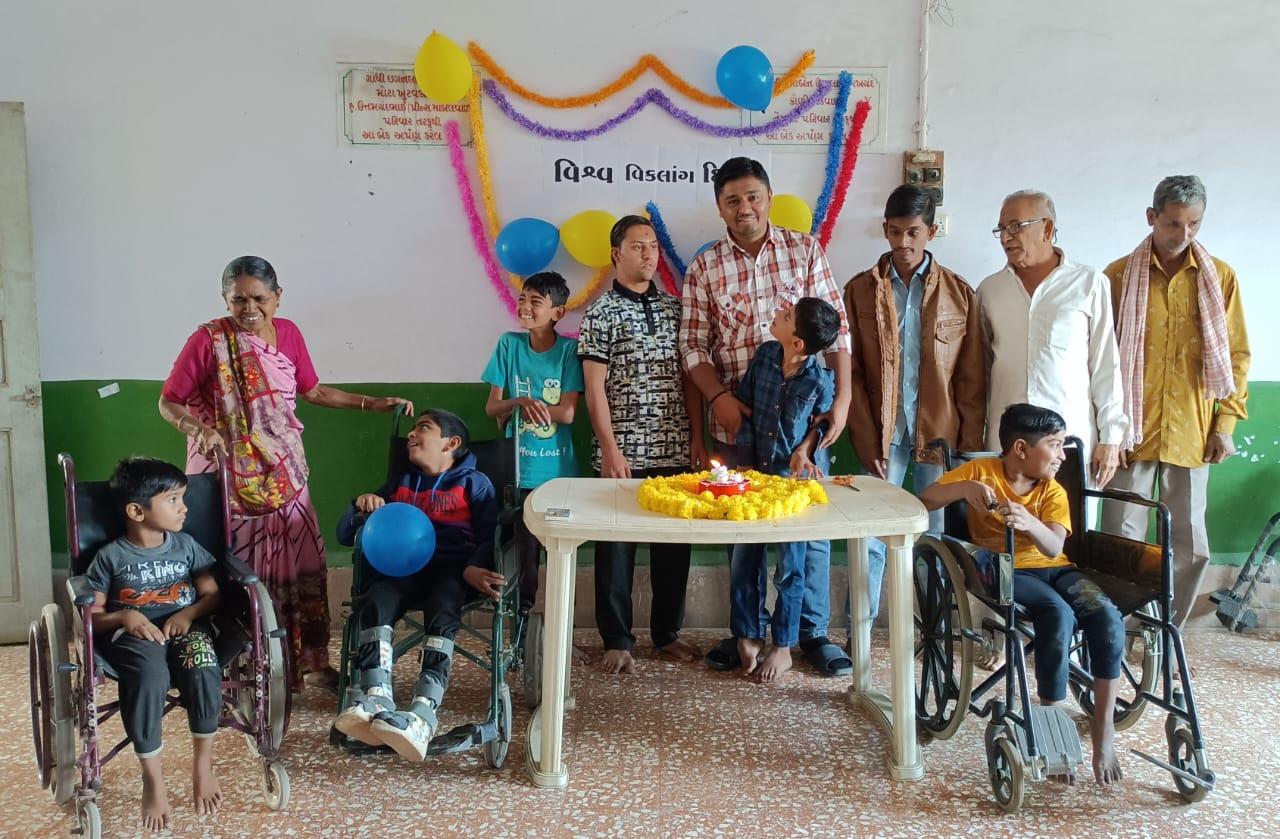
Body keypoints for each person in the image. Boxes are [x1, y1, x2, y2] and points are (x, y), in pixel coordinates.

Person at [158, 255, 414, 691]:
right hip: (229, 480)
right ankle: (238, 666)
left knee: (305, 564)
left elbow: (313, 390)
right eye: (238, 300)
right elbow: (169, 401)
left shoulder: (290, 333)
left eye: (259, 298)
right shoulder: (208, 341)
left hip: (285, 474)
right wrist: (197, 428)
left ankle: (311, 661)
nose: (249, 309)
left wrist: (373, 403)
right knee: (241, 571)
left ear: (278, 297)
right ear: (225, 299)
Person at [680, 156, 854, 676]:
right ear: (720, 208)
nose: (744, 207)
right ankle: (747, 632)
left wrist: (840, 403)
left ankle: (811, 633)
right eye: (732, 200)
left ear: (769, 197)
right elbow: (691, 346)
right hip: (738, 427)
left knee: (807, 537)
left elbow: (838, 330)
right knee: (745, 536)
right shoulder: (705, 266)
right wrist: (719, 400)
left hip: (802, 427)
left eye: (753, 196)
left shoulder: (804, 250)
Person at [920, 404, 1125, 786]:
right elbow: (928, 498)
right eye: (1055, 445)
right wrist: (963, 488)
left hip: (1056, 566)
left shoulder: (1053, 490)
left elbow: (1052, 546)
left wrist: (1029, 522)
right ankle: (1051, 720)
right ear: (1020, 448)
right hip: (1005, 569)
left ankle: (1104, 728)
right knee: (1057, 615)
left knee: (1106, 617)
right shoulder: (981, 472)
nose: (1062, 455)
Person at [1102, 176, 1251, 628]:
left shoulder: (1219, 277)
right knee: (1118, 538)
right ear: (1152, 218)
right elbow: (1102, 360)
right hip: (1130, 431)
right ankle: (1118, 630)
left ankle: (1169, 630)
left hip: (1193, 431)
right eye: (1173, 224)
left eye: (1194, 224)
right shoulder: (1118, 276)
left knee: (1190, 543)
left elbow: (1237, 355)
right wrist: (1110, 432)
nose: (1183, 234)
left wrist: (1225, 424)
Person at [843, 184, 986, 623]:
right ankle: (860, 631)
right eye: (894, 232)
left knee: (934, 532)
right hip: (882, 436)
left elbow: (971, 375)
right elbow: (852, 373)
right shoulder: (859, 291)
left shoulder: (960, 293)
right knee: (870, 531)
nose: (903, 243)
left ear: (931, 231)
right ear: (884, 230)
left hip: (937, 435)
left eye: (913, 232)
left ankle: (936, 627)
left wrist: (964, 444)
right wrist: (866, 439)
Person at [334, 409, 500, 762]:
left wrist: (474, 566)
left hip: (453, 570)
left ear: (451, 443)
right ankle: (377, 695)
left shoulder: (475, 483)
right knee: (377, 598)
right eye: (412, 428)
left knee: (444, 603)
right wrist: (360, 506)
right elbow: (345, 535)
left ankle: (423, 712)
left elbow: (492, 536)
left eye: (423, 428)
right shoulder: (400, 484)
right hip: (402, 569)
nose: (412, 434)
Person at [579, 216, 705, 674]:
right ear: (616, 254)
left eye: (652, 245)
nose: (648, 254)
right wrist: (610, 448)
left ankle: (667, 633)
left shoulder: (676, 310)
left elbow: (690, 380)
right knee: (617, 548)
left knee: (674, 545)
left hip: (674, 449)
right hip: (624, 451)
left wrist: (695, 434)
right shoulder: (601, 313)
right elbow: (595, 389)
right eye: (637, 246)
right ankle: (617, 638)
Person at [85, 457, 224, 831]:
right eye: (173, 500)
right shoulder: (110, 557)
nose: (184, 508)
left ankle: (203, 765)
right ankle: (153, 778)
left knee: (203, 663)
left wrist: (189, 614)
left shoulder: (186, 546)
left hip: (185, 626)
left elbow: (212, 594)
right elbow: (92, 618)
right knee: (148, 678)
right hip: (133, 634)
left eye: (183, 498)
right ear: (136, 510)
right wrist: (126, 617)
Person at [977, 191, 1128, 484]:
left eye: (1015, 227)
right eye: (1001, 229)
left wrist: (1110, 437)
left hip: (1070, 444)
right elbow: (979, 369)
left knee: (1069, 527)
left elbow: (1106, 366)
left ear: (1047, 229)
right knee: (1005, 527)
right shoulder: (990, 291)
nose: (1006, 237)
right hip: (1006, 446)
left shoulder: (1089, 284)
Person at [731, 297, 840, 682]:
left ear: (798, 344)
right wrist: (742, 465)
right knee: (745, 558)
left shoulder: (819, 379)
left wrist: (804, 449)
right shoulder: (764, 356)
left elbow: (822, 425)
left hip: (792, 487)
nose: (779, 313)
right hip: (753, 478)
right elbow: (744, 408)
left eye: (787, 316)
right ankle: (746, 634)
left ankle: (783, 645)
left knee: (792, 567)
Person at [482, 272, 583, 618]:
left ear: (557, 312)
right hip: (518, 473)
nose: (524, 307)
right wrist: (520, 403)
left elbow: (568, 412)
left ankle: (558, 628)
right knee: (524, 557)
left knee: (559, 554)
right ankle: (523, 627)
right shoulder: (508, 345)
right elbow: (492, 406)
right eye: (522, 299)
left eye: (535, 302)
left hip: (557, 476)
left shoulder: (569, 351)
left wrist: (525, 405)